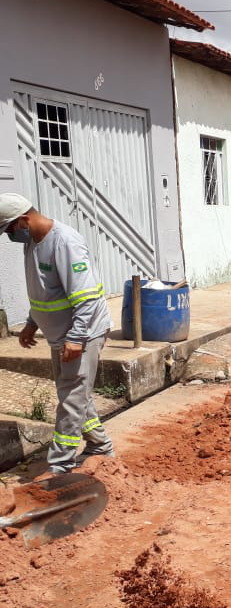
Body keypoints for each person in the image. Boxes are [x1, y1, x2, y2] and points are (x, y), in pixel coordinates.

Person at [0, 193, 115, 473]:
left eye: (9, 229)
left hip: (81, 334)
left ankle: (59, 466)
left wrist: (76, 338)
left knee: (71, 398)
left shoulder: (65, 242)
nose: (9, 236)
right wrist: (32, 323)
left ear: (24, 221)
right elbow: (45, 292)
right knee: (75, 394)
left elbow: (87, 297)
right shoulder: (33, 243)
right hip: (61, 335)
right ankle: (101, 446)